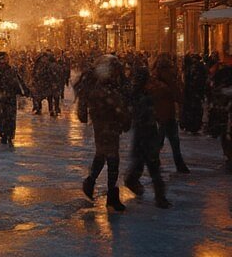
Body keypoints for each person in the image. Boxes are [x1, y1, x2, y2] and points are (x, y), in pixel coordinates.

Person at [76, 55, 131, 212]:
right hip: (107, 123)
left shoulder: (100, 83)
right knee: (112, 158)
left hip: (104, 123)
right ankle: (111, 197)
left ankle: (91, 182)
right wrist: (124, 117)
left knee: (102, 154)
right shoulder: (106, 85)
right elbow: (115, 103)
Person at [124, 67, 171, 208]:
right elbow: (145, 115)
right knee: (153, 167)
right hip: (147, 135)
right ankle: (160, 197)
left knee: (141, 165)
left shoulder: (137, 94)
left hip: (142, 135)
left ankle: (134, 183)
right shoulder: (143, 96)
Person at [149, 53, 189, 173]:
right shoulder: (164, 83)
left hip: (161, 116)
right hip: (165, 116)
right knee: (171, 141)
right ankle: (178, 164)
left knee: (164, 141)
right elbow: (179, 96)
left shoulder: (153, 80)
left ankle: (156, 161)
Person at [0, 51, 27, 145]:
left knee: (10, 118)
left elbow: (18, 82)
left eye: (5, 59)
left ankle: (9, 134)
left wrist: (23, 91)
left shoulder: (11, 70)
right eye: (3, 59)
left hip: (9, 98)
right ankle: (3, 132)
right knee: (1, 117)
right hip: (0, 99)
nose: (4, 61)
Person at [182, 53, 208, 135]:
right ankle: (193, 126)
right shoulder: (197, 67)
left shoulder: (192, 68)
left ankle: (191, 125)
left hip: (192, 92)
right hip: (194, 93)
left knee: (192, 109)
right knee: (195, 109)